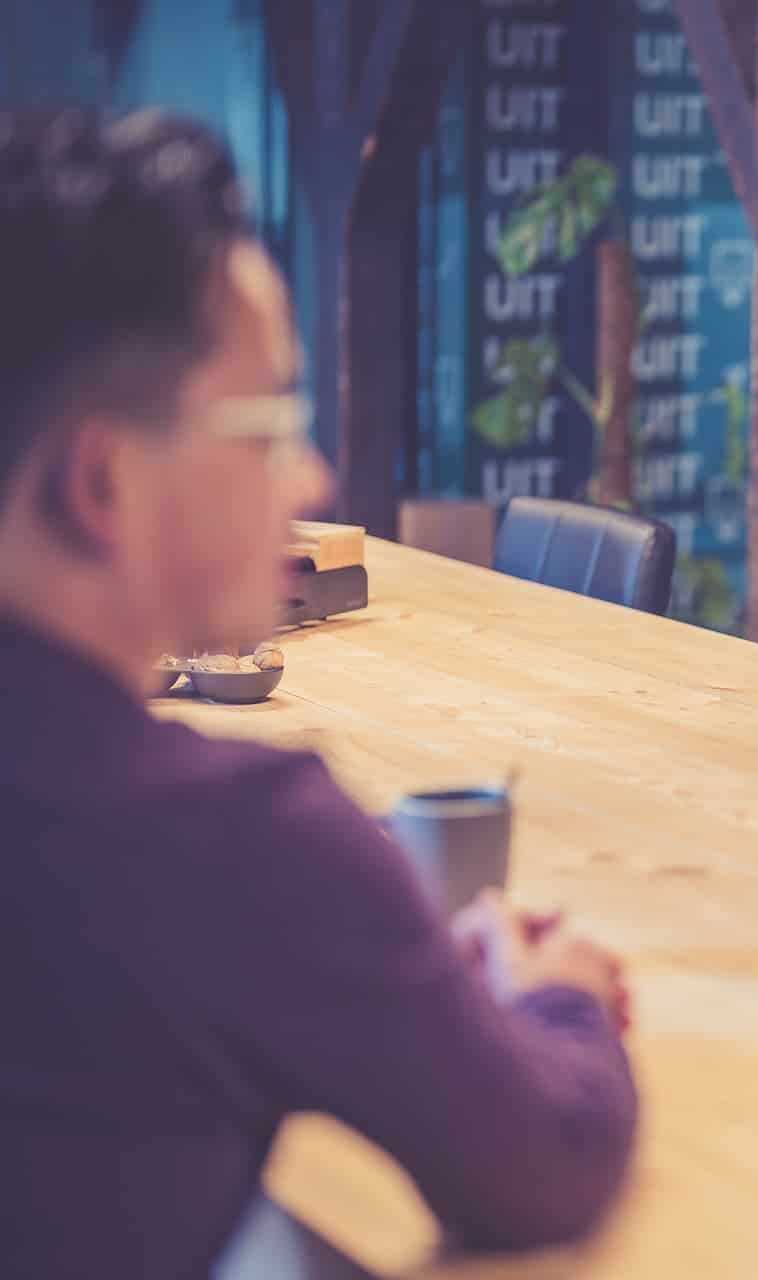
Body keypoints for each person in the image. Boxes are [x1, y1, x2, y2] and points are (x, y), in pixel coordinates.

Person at [0, 109, 636, 1276]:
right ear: (102, 479)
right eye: (272, 422)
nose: (312, 473)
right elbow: (543, 1155)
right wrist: (556, 1000)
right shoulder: (229, 837)